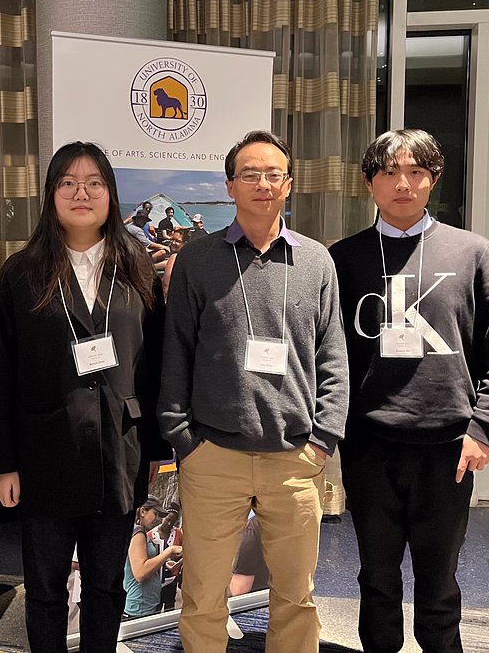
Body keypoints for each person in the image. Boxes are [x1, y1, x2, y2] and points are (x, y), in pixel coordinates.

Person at [328, 129, 489, 653]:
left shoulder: (472, 252)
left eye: (416, 172)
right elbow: (327, 353)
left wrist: (485, 429)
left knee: (439, 583)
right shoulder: (342, 258)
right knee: (376, 577)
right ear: (368, 182)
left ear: (434, 179)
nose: (403, 185)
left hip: (448, 447)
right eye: (389, 172)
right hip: (369, 444)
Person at [158, 129, 350, 653]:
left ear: (288, 184)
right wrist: (182, 439)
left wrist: (323, 440)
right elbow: (176, 352)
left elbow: (333, 357)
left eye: (273, 174)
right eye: (249, 174)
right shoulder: (197, 260)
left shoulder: (317, 261)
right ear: (229, 186)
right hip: (212, 457)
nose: (262, 184)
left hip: (295, 458)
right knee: (202, 596)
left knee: (295, 596)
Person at [0, 141, 170, 653]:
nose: (81, 193)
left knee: (106, 585)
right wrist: (2, 464)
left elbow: (155, 365)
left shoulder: (137, 269)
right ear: (51, 194)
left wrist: (158, 449)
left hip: (120, 450)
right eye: (68, 182)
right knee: (45, 588)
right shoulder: (21, 273)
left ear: (110, 194)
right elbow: (0, 375)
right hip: (45, 453)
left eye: (93, 183)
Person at [124, 497, 182, 618]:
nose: (157, 519)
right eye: (155, 513)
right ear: (142, 511)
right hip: (139, 608)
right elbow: (141, 573)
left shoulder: (137, 531)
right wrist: (169, 551)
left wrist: (165, 563)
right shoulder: (138, 532)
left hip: (145, 605)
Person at [148, 502, 184, 610]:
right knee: (156, 608)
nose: (169, 524)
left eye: (172, 522)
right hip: (154, 582)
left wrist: (178, 567)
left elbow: (185, 552)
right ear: (162, 517)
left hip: (171, 581)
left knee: (170, 607)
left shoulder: (178, 533)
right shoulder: (150, 535)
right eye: (168, 519)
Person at [229, 514, 269, 597]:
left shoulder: (251, 530)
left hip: (260, 601)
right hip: (290, 599)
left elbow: (239, 590)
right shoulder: (295, 522)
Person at [161, 230, 187, 299]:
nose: (173, 242)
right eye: (172, 239)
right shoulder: (191, 257)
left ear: (185, 243)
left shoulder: (174, 257)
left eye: (177, 241)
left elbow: (166, 283)